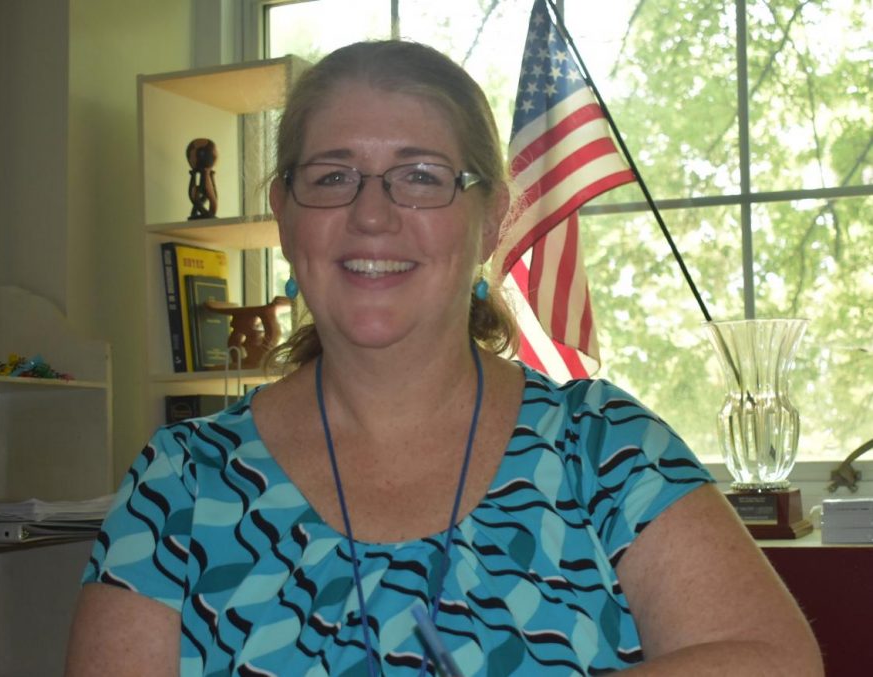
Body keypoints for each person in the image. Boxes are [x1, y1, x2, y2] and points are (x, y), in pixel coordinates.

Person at [65, 40, 823, 676]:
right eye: (332, 176)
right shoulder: (179, 486)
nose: (371, 213)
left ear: (491, 219)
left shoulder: (605, 448)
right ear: (284, 215)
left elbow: (776, 659)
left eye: (421, 177)